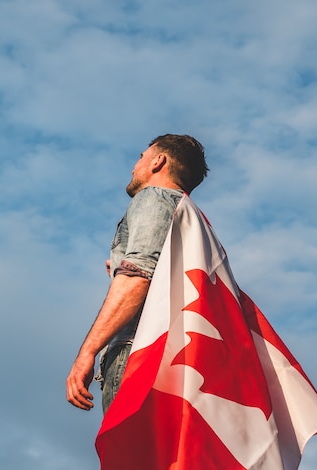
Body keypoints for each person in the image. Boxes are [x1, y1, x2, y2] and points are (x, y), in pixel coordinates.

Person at [66, 134, 209, 413]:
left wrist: (88, 352)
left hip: (138, 353)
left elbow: (138, 275)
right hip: (180, 360)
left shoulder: (154, 197)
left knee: (132, 454)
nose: (134, 166)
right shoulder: (193, 219)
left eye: (141, 157)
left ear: (158, 161)